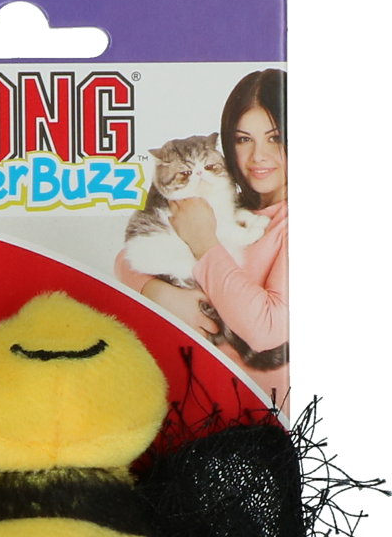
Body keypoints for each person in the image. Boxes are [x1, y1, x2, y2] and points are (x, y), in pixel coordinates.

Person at [114, 69, 287, 403]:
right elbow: (126, 259)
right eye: (243, 139)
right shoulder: (228, 204)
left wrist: (204, 242)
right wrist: (161, 294)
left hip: (255, 413)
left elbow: (267, 329)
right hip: (187, 399)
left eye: (275, 137)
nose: (258, 156)